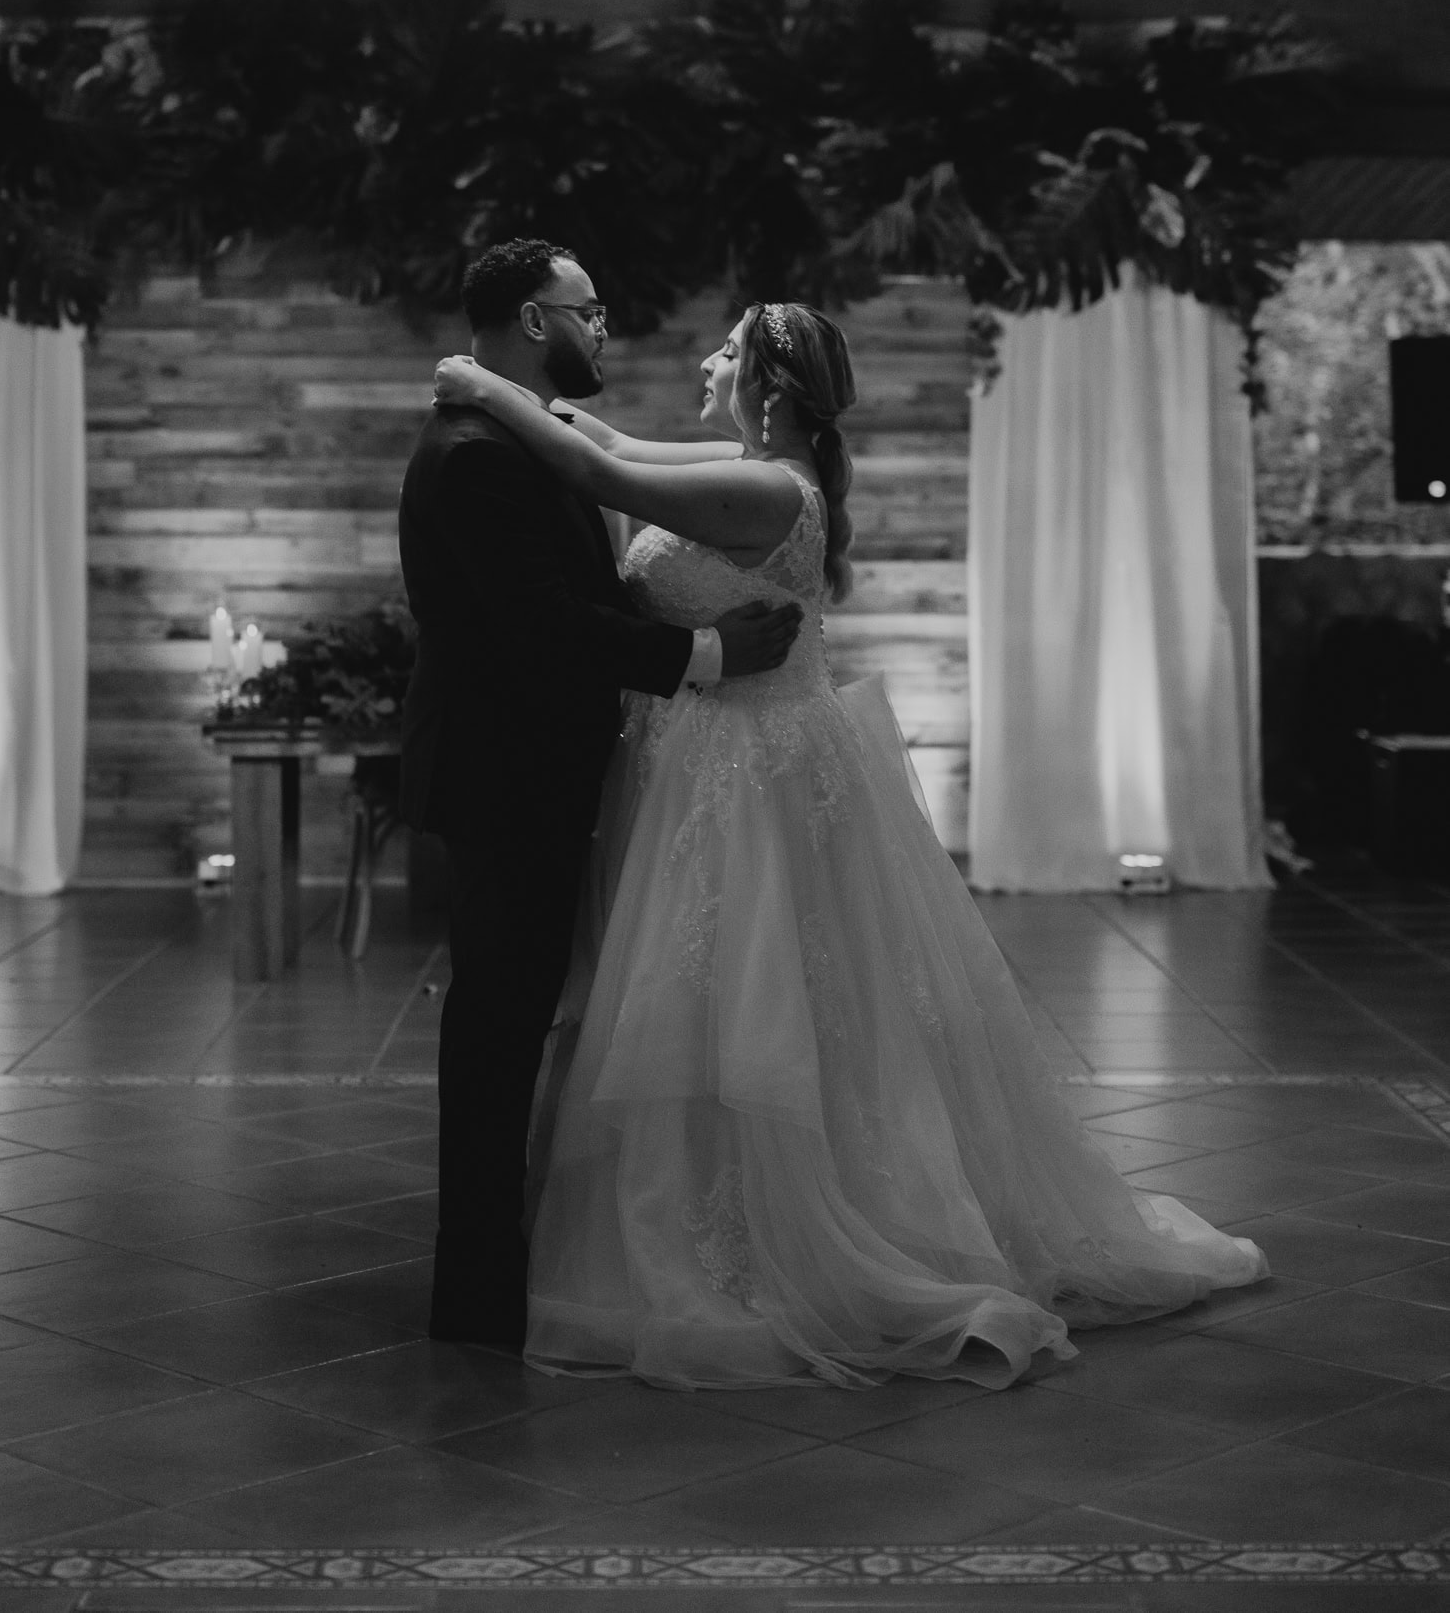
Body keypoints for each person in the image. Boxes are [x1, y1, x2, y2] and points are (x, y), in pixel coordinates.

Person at [432, 299, 1268, 1390]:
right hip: (711, 762)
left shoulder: (769, 489)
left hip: (748, 781)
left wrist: (483, 385)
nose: (704, 357)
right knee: (708, 999)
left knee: (751, 999)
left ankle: (786, 1232)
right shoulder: (747, 464)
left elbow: (604, 480)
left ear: (769, 388)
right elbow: (611, 444)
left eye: (727, 351)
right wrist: (530, 401)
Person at [398, 240, 802, 1351]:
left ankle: (501, 1263)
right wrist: (709, 656)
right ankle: (476, 1292)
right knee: (498, 1028)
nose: (606, 328)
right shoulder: (480, 452)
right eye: (592, 310)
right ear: (536, 321)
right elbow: (543, 627)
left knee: (523, 1017)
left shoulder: (517, 433)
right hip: (507, 774)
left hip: (537, 770)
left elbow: (606, 469)